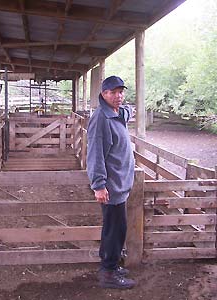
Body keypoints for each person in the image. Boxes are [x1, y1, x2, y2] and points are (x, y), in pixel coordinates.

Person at [86, 75, 135, 289]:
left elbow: (127, 110)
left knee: (117, 228)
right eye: (113, 92)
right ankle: (108, 273)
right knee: (114, 230)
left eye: (121, 92)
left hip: (120, 184)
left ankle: (112, 266)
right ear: (104, 94)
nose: (118, 96)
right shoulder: (101, 119)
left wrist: (124, 110)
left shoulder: (117, 114)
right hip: (111, 186)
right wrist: (98, 185)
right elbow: (95, 153)